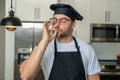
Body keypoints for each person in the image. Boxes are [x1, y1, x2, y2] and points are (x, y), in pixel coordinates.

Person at [20, 3, 101, 80]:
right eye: (54, 20)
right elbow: (26, 76)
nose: (56, 25)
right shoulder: (45, 47)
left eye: (63, 21)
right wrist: (44, 41)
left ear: (73, 25)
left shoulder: (86, 49)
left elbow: (94, 78)